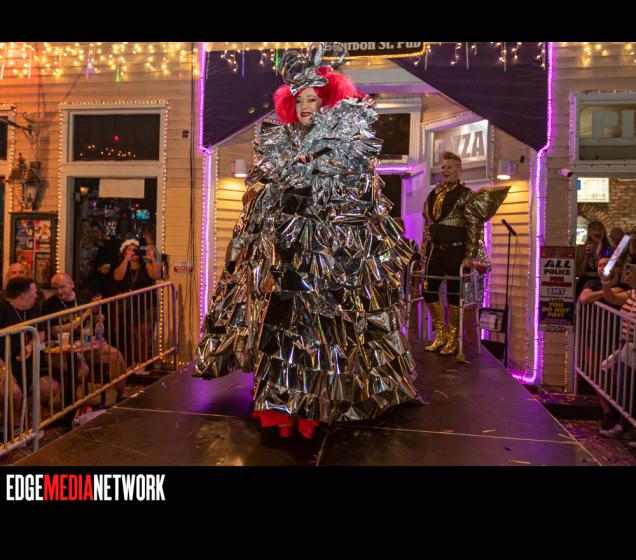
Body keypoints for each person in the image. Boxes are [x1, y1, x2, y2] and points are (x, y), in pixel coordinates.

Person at [194, 44, 420, 439]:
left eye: (312, 99)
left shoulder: (345, 143)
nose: (304, 107)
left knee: (317, 334)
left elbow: (357, 199)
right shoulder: (278, 142)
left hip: (326, 263)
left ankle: (312, 409)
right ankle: (275, 408)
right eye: (299, 100)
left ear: (327, 101)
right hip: (282, 256)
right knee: (278, 329)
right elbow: (260, 191)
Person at [421, 151, 509, 356]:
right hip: (436, 250)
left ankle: (453, 337)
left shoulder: (465, 194)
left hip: (456, 250)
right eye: (443, 167)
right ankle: (440, 334)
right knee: (428, 289)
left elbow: (474, 226)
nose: (445, 170)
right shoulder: (433, 194)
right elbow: (428, 224)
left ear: (459, 170)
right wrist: (425, 249)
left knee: (454, 293)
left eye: (450, 167)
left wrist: (470, 255)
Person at [42, 273, 127, 402]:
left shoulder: (84, 296)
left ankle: (122, 396)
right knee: (81, 369)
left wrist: (96, 311)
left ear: (72, 285)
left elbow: (99, 320)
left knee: (116, 355)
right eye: (55, 288)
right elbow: (57, 331)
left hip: (86, 344)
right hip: (63, 350)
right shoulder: (50, 304)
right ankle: (69, 399)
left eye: (62, 287)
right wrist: (86, 313)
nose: (59, 291)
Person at [578, 257, 631, 430]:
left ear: (617, 268)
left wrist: (603, 293)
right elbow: (584, 298)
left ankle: (620, 411)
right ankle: (607, 412)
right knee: (596, 375)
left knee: (617, 376)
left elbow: (613, 297)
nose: (603, 267)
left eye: (607, 265)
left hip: (615, 335)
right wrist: (603, 292)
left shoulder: (624, 287)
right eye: (600, 265)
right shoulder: (592, 283)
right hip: (593, 334)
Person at [0, 277, 60, 417]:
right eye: (34, 293)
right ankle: (15, 425)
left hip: (27, 367)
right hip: (4, 365)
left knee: (51, 386)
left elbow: (41, 333)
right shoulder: (2, 309)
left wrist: (30, 346)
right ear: (23, 295)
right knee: (13, 392)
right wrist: (3, 369)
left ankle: (26, 417)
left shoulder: (33, 308)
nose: (36, 296)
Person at [598, 265, 636, 442]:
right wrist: (605, 283)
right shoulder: (632, 293)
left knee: (632, 386)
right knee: (624, 385)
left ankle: (629, 426)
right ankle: (625, 424)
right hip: (627, 344)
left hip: (633, 344)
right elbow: (611, 298)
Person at [113, 239, 161, 367]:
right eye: (129, 250)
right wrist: (126, 260)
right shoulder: (122, 266)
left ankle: (143, 362)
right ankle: (135, 362)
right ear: (124, 253)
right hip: (130, 307)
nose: (133, 252)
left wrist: (152, 259)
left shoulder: (146, 266)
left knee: (144, 334)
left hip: (147, 305)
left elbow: (157, 275)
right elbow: (118, 277)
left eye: (135, 250)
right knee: (134, 335)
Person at [575, 221, 612, 298]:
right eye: (594, 228)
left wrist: (598, 254)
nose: (597, 230)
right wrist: (586, 255)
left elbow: (607, 273)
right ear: (589, 232)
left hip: (601, 284)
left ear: (603, 232)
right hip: (584, 283)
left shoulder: (607, 250)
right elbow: (577, 272)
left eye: (600, 228)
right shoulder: (581, 248)